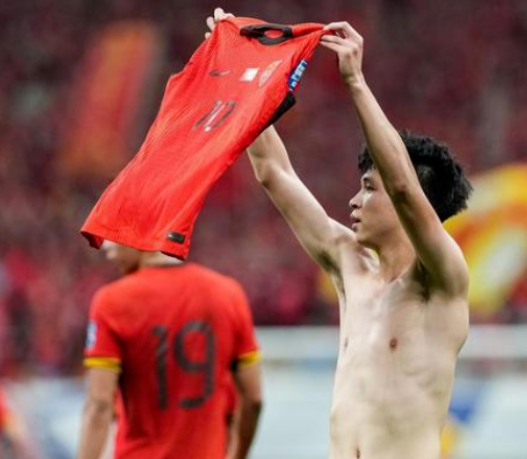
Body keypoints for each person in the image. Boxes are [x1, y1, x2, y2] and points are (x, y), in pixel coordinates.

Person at [209, 9, 472, 458]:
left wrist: (355, 81)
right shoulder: (350, 267)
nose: (353, 201)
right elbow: (273, 171)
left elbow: (404, 188)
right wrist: (237, 75)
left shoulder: (442, 281)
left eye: (368, 188)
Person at [76, 240, 263, 459]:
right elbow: (253, 400)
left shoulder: (112, 302)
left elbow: (99, 405)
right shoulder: (228, 293)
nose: (107, 247)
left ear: (142, 233)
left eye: (114, 235)